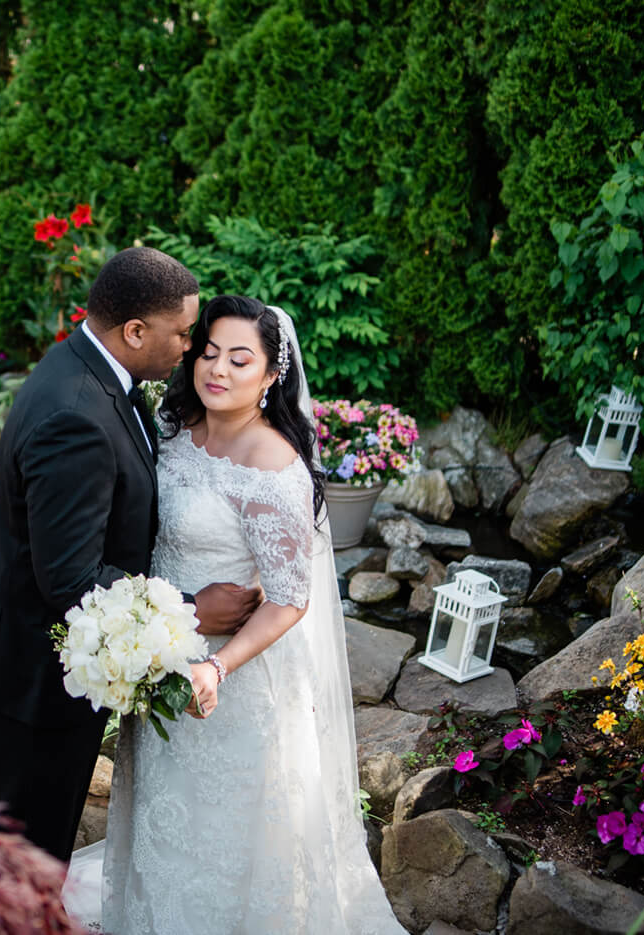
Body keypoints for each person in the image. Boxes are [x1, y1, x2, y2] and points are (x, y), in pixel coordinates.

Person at [86, 295, 407, 934]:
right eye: (208, 353)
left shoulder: (273, 467)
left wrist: (217, 669)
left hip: (235, 677)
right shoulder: (173, 428)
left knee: (225, 826)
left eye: (240, 359)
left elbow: (290, 599)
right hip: (160, 651)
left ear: (270, 376)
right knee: (160, 808)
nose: (218, 370)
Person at [0, 249, 261, 880]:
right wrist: (194, 608)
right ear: (135, 333)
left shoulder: (94, 371)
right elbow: (69, 579)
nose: (189, 347)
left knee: (38, 863)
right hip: (32, 682)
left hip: (51, 670)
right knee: (25, 871)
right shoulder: (76, 415)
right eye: (182, 334)